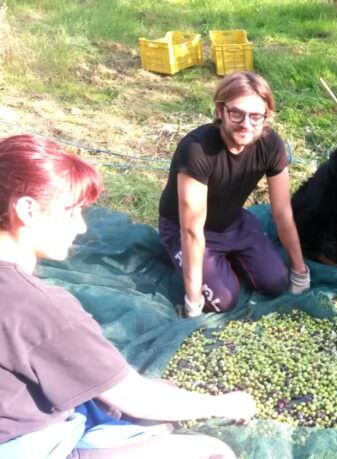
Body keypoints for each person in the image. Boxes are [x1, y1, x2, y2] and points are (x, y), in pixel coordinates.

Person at [0, 134, 255, 458]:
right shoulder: (41, 309)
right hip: (23, 445)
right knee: (211, 450)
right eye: (70, 213)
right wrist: (224, 403)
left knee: (157, 402)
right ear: (27, 210)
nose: (80, 227)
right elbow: (135, 397)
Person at [158, 71, 310, 317]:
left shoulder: (271, 145)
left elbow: (282, 211)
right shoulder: (197, 150)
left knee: (276, 283)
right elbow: (191, 230)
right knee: (222, 301)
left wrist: (300, 272)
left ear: (266, 116)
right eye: (237, 113)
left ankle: (228, 261)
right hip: (184, 227)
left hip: (234, 222)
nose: (246, 124)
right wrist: (193, 302)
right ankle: (185, 257)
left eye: (255, 116)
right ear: (221, 111)